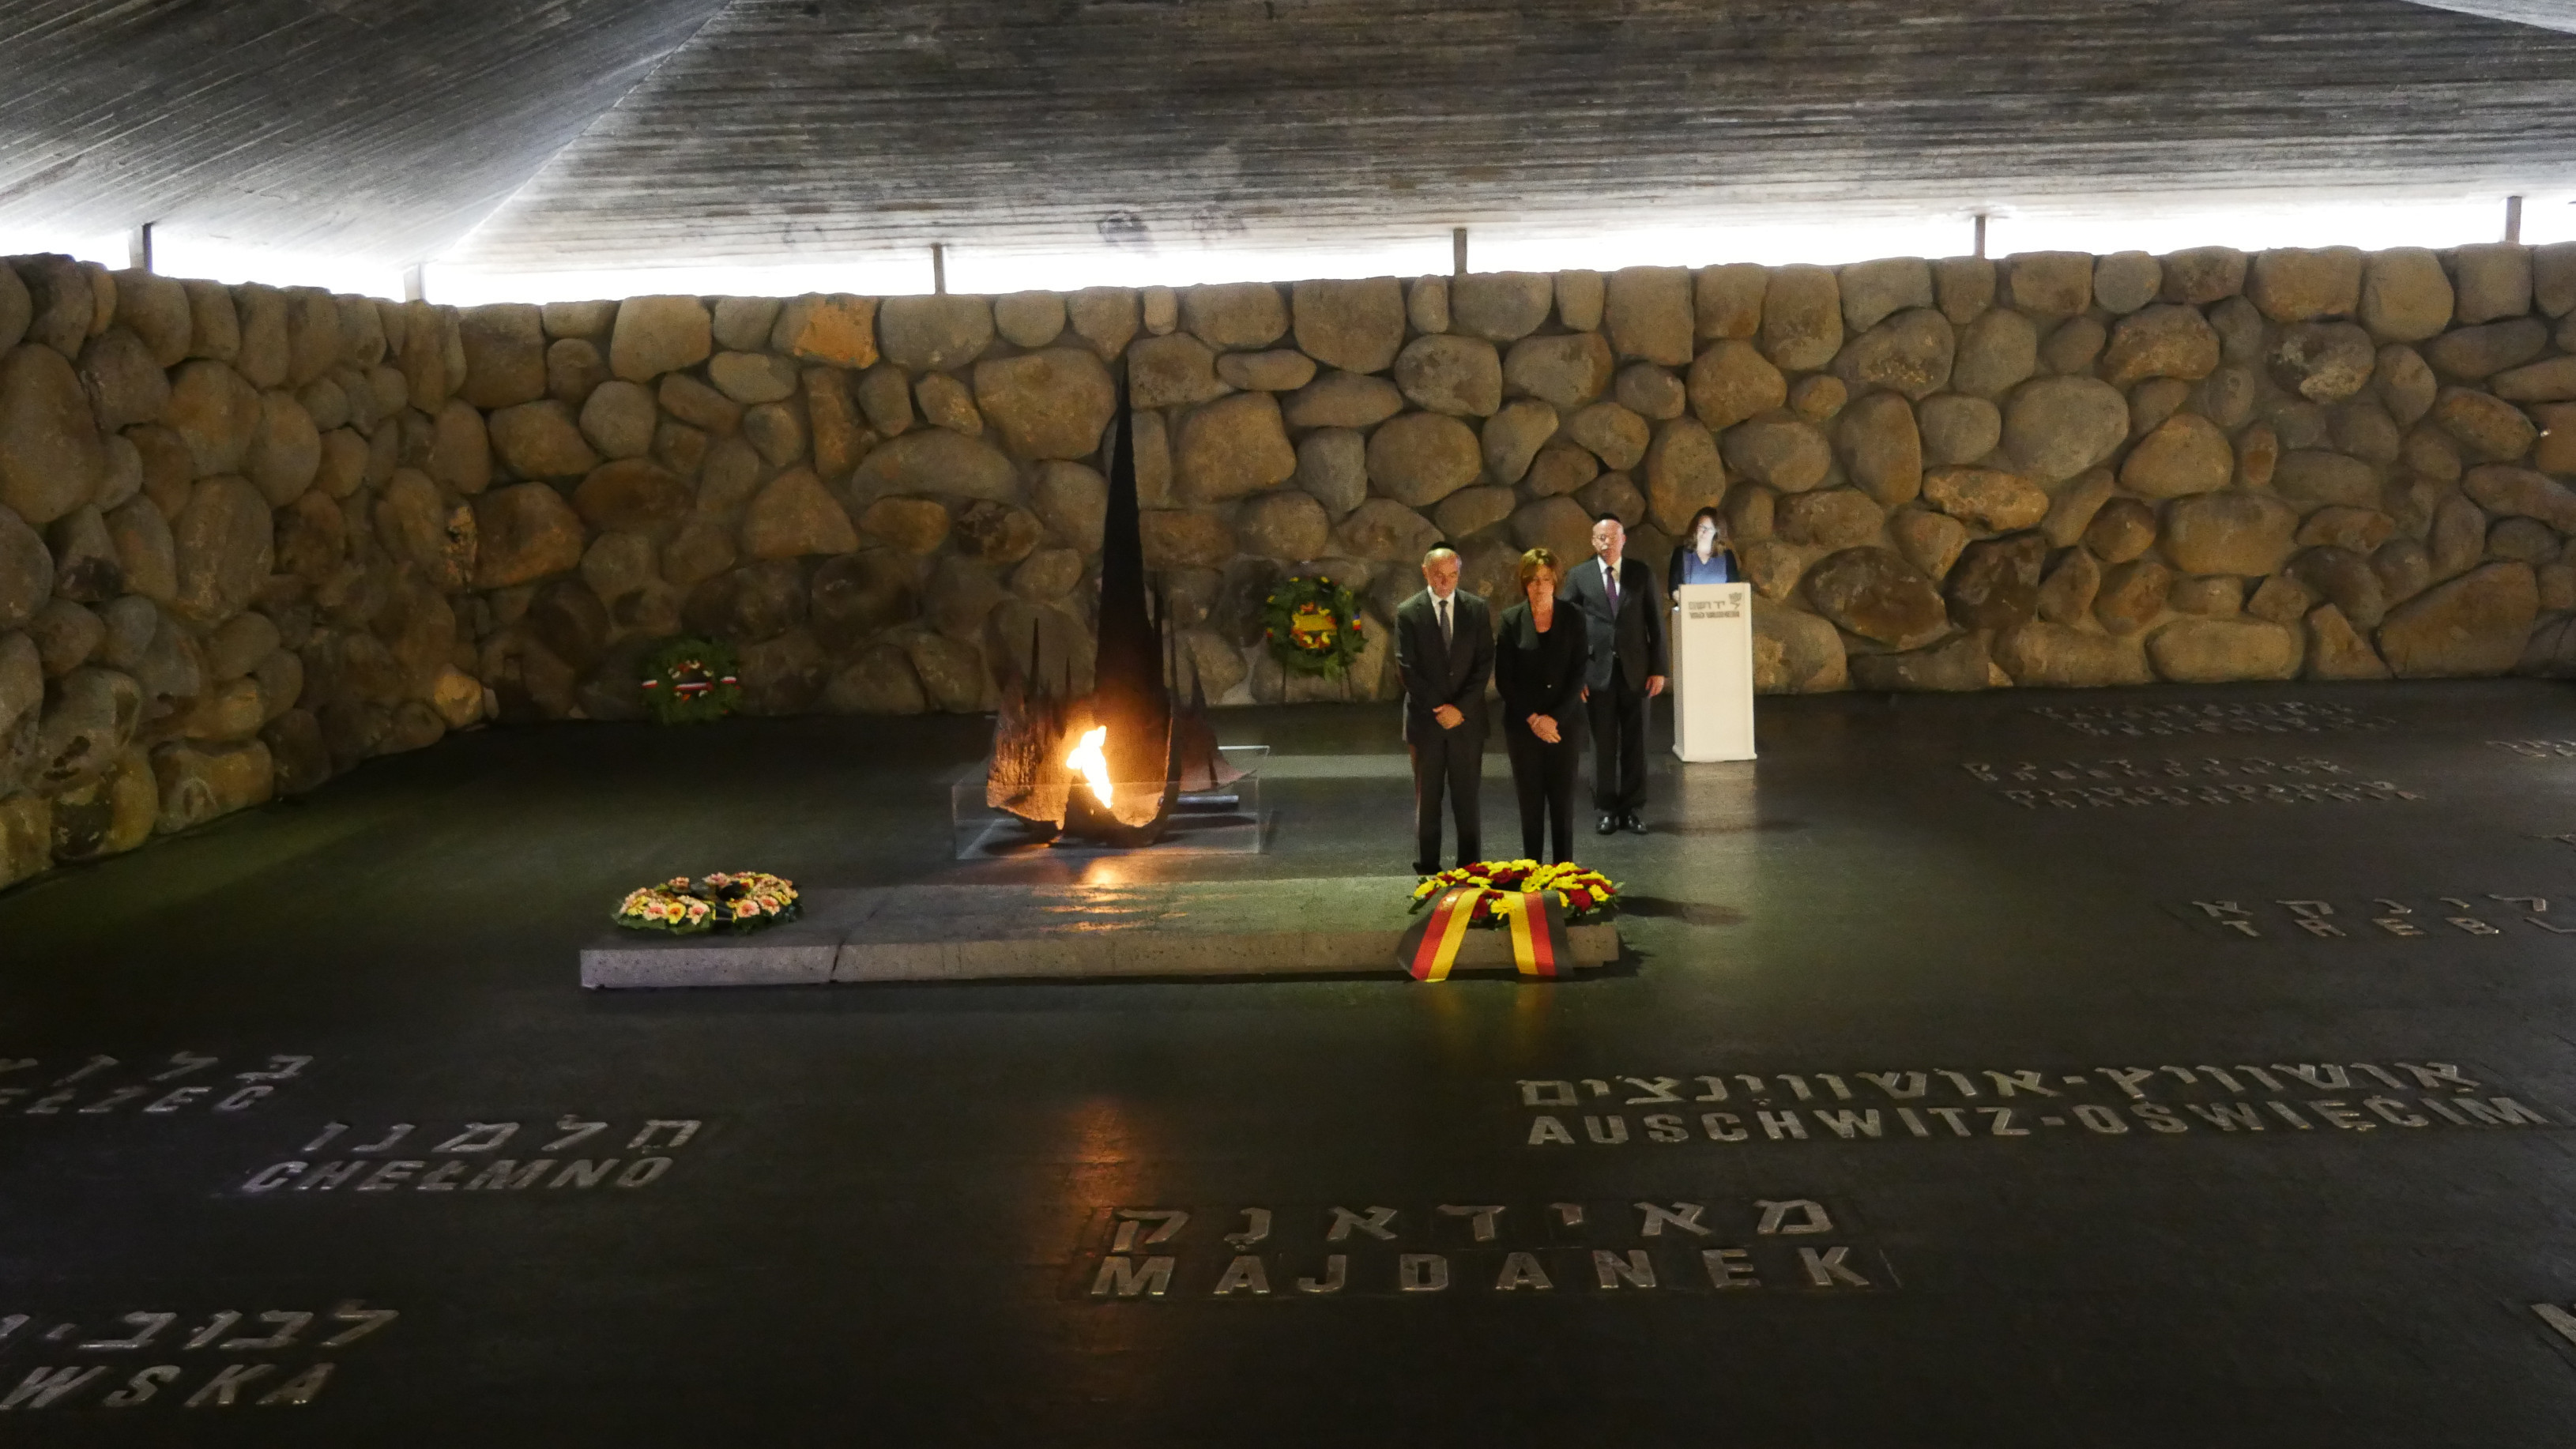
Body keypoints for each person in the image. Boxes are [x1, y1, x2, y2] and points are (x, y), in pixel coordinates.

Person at [1561, 514, 1666, 835]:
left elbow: (1655, 623)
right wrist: (1574, 676)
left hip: (1636, 672)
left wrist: (1659, 669)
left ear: (1624, 540)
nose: (1606, 543)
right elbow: (1567, 628)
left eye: (1612, 537)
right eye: (1600, 538)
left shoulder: (1640, 573)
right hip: (1597, 673)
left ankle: (1633, 809)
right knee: (1602, 743)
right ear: (1593, 542)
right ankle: (1606, 808)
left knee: (1636, 742)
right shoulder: (1579, 576)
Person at [1395, 544, 1493, 875]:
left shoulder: (1477, 610)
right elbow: (1407, 667)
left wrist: (1459, 709)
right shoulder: (1409, 612)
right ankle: (1428, 866)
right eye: (1438, 575)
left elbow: (1483, 665)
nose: (1445, 582)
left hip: (1467, 722)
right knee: (1429, 798)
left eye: (1452, 575)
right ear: (1425, 572)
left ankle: (1471, 867)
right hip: (1426, 722)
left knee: (1467, 798)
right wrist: (1441, 708)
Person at [1495, 548, 1591, 864]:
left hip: (1565, 724)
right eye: (1533, 580)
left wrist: (1553, 719)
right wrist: (1535, 719)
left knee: (1563, 805)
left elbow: (1579, 673)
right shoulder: (1511, 620)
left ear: (1556, 581)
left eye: (1546, 579)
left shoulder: (1574, 617)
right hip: (1524, 727)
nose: (1540, 586)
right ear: (1525, 583)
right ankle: (1531, 873)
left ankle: (1564, 873)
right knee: (1530, 805)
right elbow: (1505, 679)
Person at [1666, 506, 1742, 593]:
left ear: (1716, 532)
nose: (1705, 532)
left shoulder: (1727, 556)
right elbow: (1673, 588)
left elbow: (1735, 589)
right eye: (1702, 527)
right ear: (1695, 528)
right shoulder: (1680, 553)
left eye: (1710, 529)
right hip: (1690, 606)